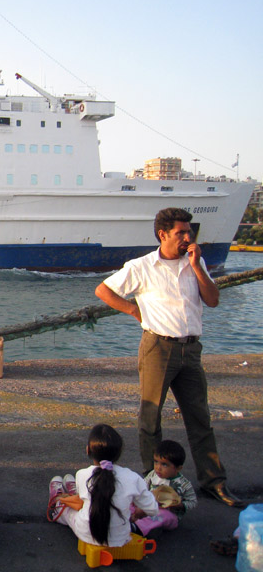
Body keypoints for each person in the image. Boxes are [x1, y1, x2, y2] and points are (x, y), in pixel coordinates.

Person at [95, 207, 244, 507]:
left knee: (200, 417)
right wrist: (134, 311)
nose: (188, 238)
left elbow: (213, 300)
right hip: (158, 348)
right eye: (181, 233)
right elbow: (103, 290)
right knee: (150, 419)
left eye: (190, 232)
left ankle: (214, 481)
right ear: (163, 235)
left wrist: (198, 267)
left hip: (191, 349)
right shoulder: (142, 266)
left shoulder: (195, 262)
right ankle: (154, 482)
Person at [49, 424, 159, 547]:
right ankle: (69, 493)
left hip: (87, 534)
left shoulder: (82, 474)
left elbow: (81, 502)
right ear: (119, 453)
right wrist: (138, 513)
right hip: (121, 538)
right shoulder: (133, 478)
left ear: (87, 450)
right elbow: (153, 509)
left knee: (69, 511)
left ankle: (58, 505)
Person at [131, 440, 197, 536]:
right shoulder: (153, 474)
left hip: (168, 512)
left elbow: (193, 501)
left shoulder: (184, 484)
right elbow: (142, 487)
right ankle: (123, 519)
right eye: (156, 462)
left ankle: (137, 528)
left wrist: (180, 505)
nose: (158, 467)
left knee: (162, 515)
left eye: (164, 464)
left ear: (178, 468)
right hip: (149, 505)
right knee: (129, 501)